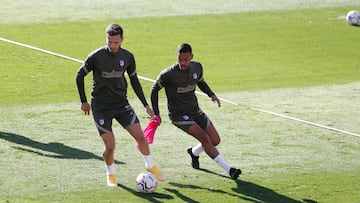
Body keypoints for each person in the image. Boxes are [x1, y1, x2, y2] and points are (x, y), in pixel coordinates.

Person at [75, 23, 166, 187]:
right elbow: (79, 75)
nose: (112, 45)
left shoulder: (128, 57)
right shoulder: (96, 56)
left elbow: (134, 81)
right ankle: (110, 173)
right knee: (110, 146)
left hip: (120, 104)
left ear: (122, 40)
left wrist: (145, 105)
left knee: (141, 137)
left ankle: (150, 165)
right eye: (109, 41)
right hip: (101, 106)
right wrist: (83, 101)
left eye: (115, 42)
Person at [150, 43, 241, 180]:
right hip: (178, 115)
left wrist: (211, 94)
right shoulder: (168, 74)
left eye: (185, 60)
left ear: (191, 57)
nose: (182, 63)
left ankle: (194, 152)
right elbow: (154, 90)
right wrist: (156, 113)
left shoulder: (197, 67)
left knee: (215, 140)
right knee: (204, 138)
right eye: (180, 59)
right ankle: (229, 169)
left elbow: (200, 82)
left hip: (194, 110)